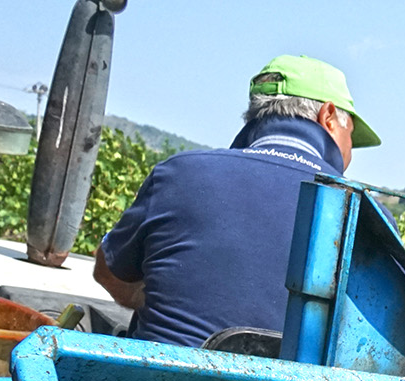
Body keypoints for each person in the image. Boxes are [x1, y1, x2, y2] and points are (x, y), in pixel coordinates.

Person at [92, 55, 379, 347]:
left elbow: (109, 271)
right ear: (328, 117)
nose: (350, 155)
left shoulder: (179, 173)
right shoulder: (367, 215)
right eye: (351, 138)